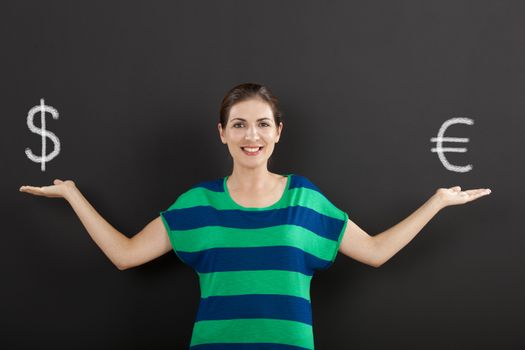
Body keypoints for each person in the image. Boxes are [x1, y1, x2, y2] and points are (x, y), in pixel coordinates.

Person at [19, 83, 491, 349]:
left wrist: (438, 201)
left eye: (263, 123)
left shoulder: (305, 200)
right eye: (239, 124)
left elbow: (374, 251)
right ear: (222, 133)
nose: (252, 135)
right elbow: (125, 255)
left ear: (278, 132)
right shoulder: (197, 204)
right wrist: (74, 195)